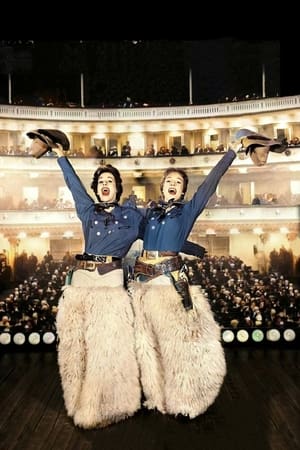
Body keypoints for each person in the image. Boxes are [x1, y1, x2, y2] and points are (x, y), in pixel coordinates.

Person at [129, 132, 285, 420]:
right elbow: (135, 235)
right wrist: (193, 248)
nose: (173, 185)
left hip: (169, 284)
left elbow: (210, 182)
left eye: (178, 183)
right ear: (162, 188)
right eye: (169, 182)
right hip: (141, 286)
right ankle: (154, 396)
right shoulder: (149, 214)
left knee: (178, 347)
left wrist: (232, 152)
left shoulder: (188, 210)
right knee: (147, 347)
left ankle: (185, 399)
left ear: (184, 191)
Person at [26, 129, 144, 429]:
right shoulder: (88, 211)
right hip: (80, 285)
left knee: (108, 349)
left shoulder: (133, 217)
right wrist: (61, 156)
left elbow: (160, 235)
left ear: (118, 187)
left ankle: (110, 405)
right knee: (77, 349)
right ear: (97, 189)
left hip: (109, 286)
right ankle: (79, 400)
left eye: (110, 181)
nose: (105, 185)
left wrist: (188, 246)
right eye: (101, 182)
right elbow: (73, 184)